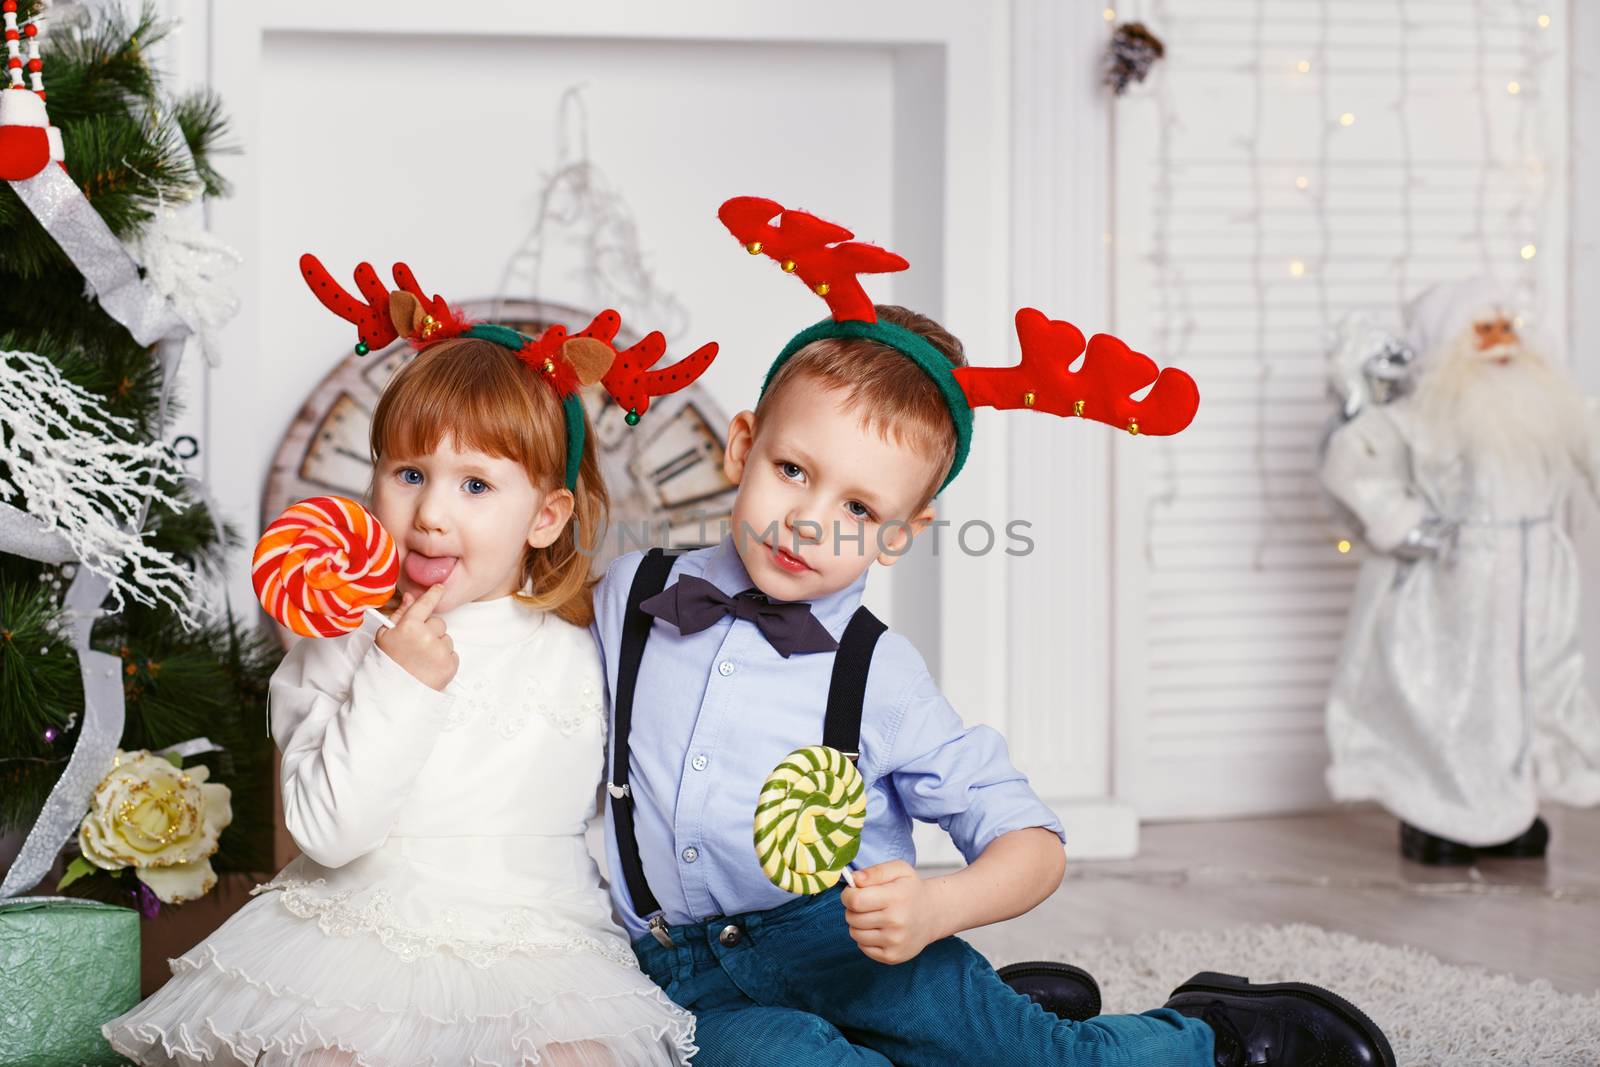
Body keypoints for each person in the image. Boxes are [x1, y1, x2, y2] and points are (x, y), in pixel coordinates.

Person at [588, 195, 1395, 1067]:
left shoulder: (878, 675)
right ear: (739, 446)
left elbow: (1032, 845)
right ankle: (976, 1018)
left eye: (859, 505)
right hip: (680, 973)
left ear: (901, 533)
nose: (809, 521)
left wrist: (941, 907)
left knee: (1050, 1061)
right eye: (792, 470)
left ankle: (1215, 1036)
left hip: (853, 950)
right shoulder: (636, 589)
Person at [103, 275, 699, 1065]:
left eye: (476, 485)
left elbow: (645, 808)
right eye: (409, 474)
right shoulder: (341, 635)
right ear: (374, 475)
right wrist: (398, 678)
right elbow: (329, 830)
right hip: (354, 936)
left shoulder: (583, 648)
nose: (431, 514)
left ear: (545, 516)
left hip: (538, 952)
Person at [1321, 279, 1600, 865]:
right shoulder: (1424, 417)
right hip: (1458, 577)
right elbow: (1355, 460)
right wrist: (1405, 523)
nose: (1502, 343)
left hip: (1539, 575)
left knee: (1531, 689)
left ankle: (1510, 807)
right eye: (1484, 329)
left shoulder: (1550, 409)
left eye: (1509, 328)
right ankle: (1438, 814)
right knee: (1457, 696)